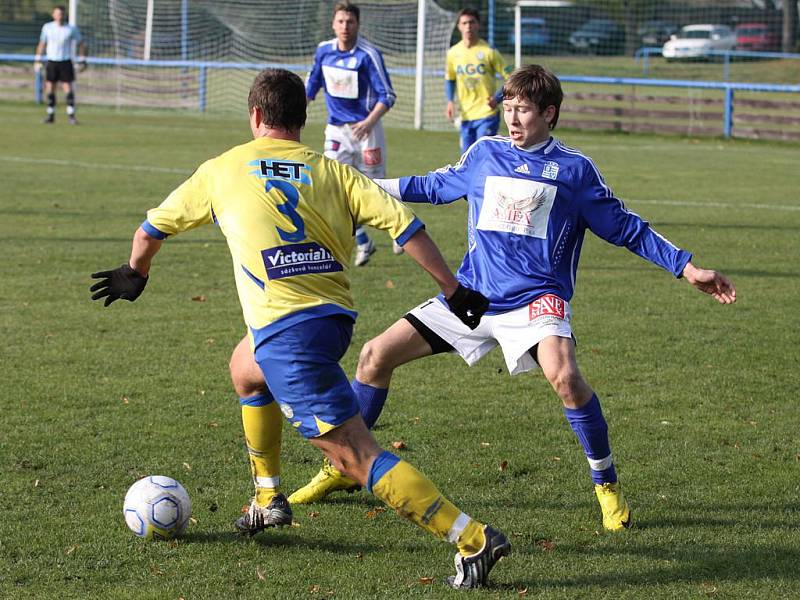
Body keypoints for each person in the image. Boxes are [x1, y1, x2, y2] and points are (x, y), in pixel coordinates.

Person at [90, 67, 509, 589]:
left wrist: (136, 272)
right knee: (245, 370)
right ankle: (267, 497)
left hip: (289, 335)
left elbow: (150, 230)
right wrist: (452, 288)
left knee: (355, 455)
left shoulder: (222, 169)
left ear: (256, 117)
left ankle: (472, 539)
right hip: (329, 322)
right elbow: (406, 225)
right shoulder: (333, 172)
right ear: (302, 118)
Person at [289, 64, 738, 532]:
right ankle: (343, 466)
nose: (514, 119)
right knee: (374, 356)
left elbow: (627, 228)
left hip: (536, 303)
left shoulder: (574, 171)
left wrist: (687, 268)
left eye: (524, 110)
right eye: (509, 108)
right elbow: (433, 186)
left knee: (566, 378)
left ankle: (606, 487)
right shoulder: (484, 153)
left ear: (550, 113)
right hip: (471, 298)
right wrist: (357, 186)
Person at [306, 1, 402, 266]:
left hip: (367, 131)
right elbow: (311, 85)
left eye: (350, 22)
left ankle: (399, 228)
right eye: (340, 21)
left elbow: (388, 95)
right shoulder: (323, 51)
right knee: (330, 186)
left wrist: (369, 122)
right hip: (337, 131)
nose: (345, 27)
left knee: (376, 188)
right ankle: (363, 241)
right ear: (333, 24)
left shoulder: (368, 55)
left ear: (358, 24)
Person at [445, 8, 511, 154]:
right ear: (459, 26)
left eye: (472, 22)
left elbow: (512, 78)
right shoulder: (452, 53)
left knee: (482, 155)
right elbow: (450, 79)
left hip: (487, 113)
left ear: (478, 25)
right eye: (464, 23)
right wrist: (449, 101)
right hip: (466, 115)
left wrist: (497, 98)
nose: (468, 26)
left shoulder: (489, 51)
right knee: (467, 159)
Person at [34, 5, 87, 125]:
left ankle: (71, 115)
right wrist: (37, 60)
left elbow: (82, 44)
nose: (59, 16)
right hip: (52, 61)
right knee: (50, 89)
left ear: (64, 15)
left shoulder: (71, 29)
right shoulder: (47, 27)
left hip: (65, 61)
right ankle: (50, 115)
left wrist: (83, 59)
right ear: (53, 15)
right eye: (57, 14)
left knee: (68, 88)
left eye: (61, 14)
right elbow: (42, 44)